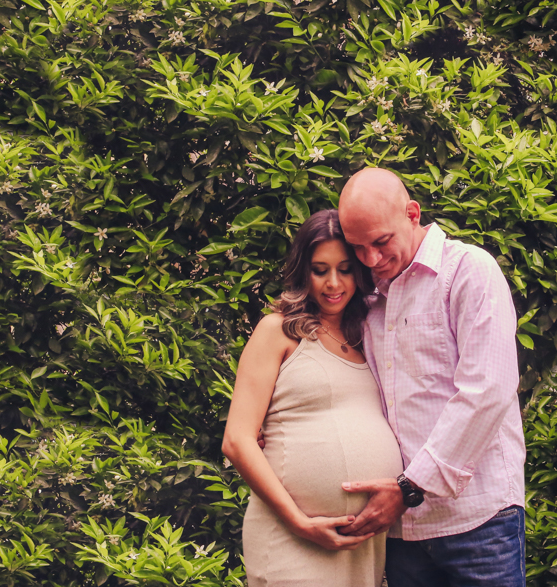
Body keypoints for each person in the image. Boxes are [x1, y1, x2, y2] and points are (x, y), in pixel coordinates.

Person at [335, 167, 526, 587]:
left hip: (479, 520)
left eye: (381, 242)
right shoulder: (368, 299)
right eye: (358, 248)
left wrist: (408, 488)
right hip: (402, 533)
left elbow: (488, 391)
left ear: (412, 213)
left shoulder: (469, 271)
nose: (370, 259)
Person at [222, 209, 404, 587]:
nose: (333, 283)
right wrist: (299, 523)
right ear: (304, 271)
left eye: (344, 269)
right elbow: (238, 440)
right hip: (292, 538)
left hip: (362, 547)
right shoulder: (277, 331)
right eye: (320, 270)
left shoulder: (370, 335)